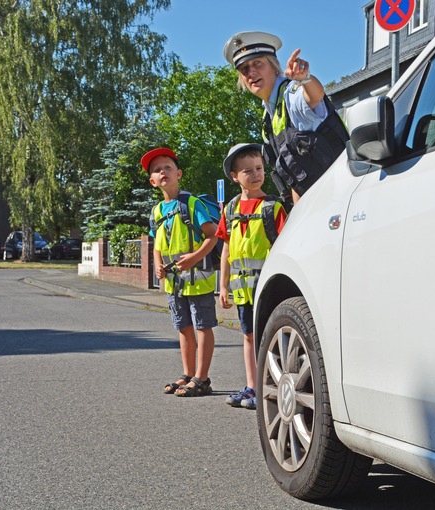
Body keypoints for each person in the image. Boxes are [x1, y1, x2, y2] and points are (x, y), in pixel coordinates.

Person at [223, 31, 349, 205]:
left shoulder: (291, 94)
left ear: (274, 66)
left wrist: (305, 79)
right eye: (244, 69)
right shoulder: (268, 118)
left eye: (257, 63)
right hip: (319, 205)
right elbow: (297, 180)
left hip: (344, 195)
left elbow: (314, 97)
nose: (251, 72)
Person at [216, 143, 287, 410]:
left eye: (259, 168)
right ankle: (252, 387)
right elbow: (225, 249)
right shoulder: (231, 209)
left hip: (268, 288)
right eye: (248, 171)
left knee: (269, 336)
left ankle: (270, 387)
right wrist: (222, 286)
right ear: (234, 176)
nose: (256, 174)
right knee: (248, 336)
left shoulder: (272, 208)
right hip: (243, 289)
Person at [142, 147, 218, 397]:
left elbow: (212, 236)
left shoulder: (190, 203)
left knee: (202, 326)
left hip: (199, 280)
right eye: (156, 170)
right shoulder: (156, 211)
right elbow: (156, 244)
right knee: (183, 327)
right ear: (152, 182)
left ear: (179, 174)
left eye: (167, 167)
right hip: (175, 283)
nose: (162, 171)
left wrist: (195, 257)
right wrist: (157, 265)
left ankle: (202, 378)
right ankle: (187, 374)